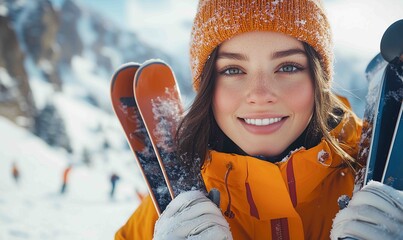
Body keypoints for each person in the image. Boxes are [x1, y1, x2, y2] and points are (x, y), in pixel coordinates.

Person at [115, 0, 403, 239]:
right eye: (232, 70)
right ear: (207, 88)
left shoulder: (389, 180)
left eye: (288, 67)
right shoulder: (170, 211)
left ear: (318, 81)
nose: (260, 94)